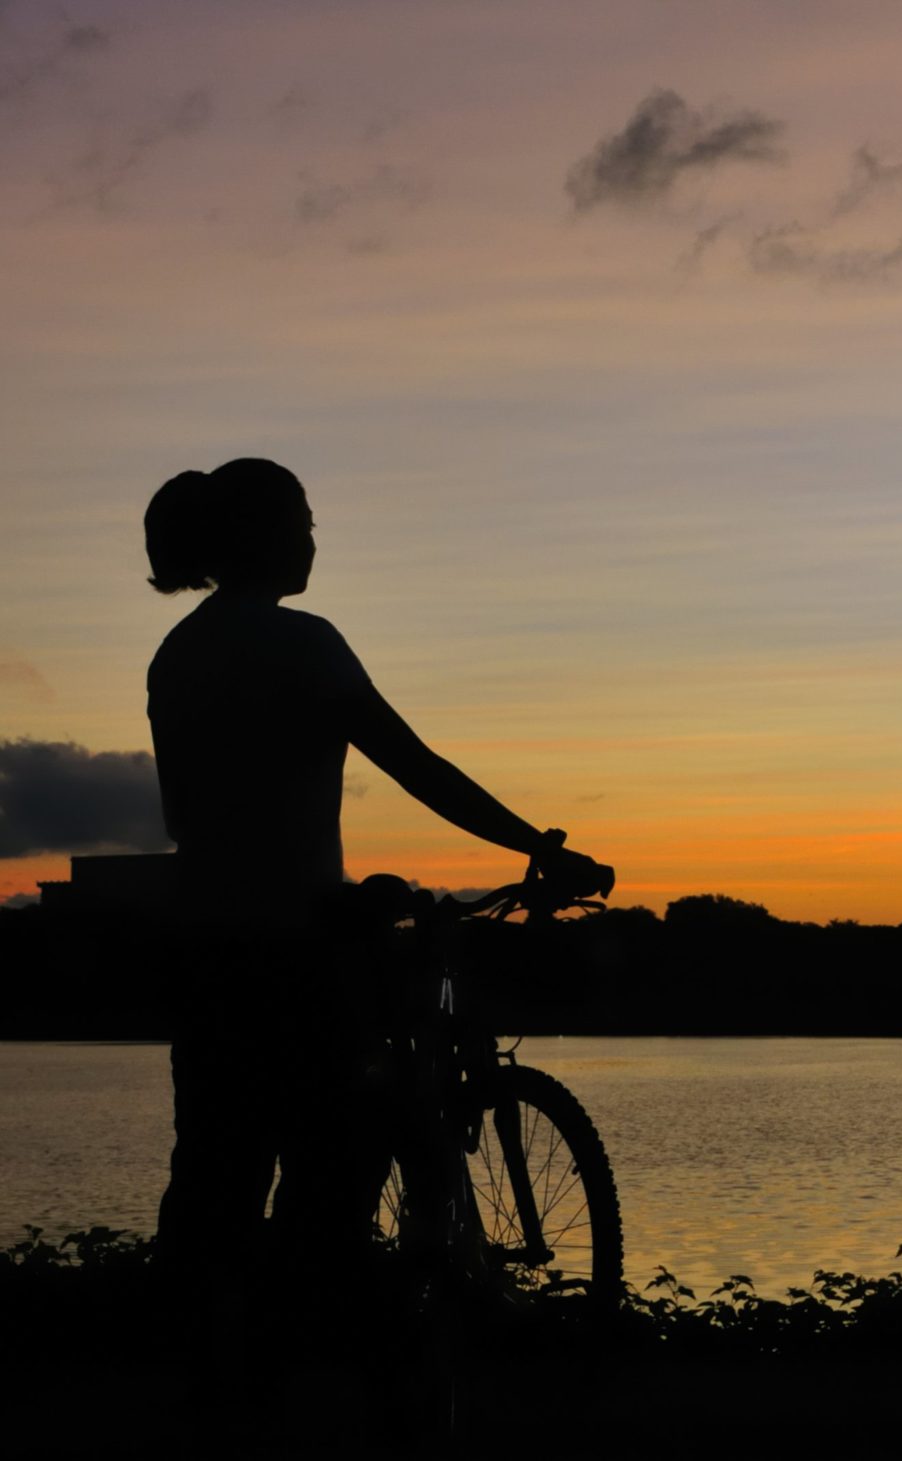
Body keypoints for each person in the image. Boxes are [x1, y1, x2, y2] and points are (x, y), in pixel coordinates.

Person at [142, 457, 604, 1285]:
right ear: (265, 535)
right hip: (296, 949)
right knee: (332, 1173)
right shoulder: (304, 643)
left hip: (200, 943)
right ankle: (322, 1338)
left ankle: (197, 1347)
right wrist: (538, 846)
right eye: (305, 524)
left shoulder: (176, 653)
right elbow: (416, 766)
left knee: (214, 1174)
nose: (314, 541)